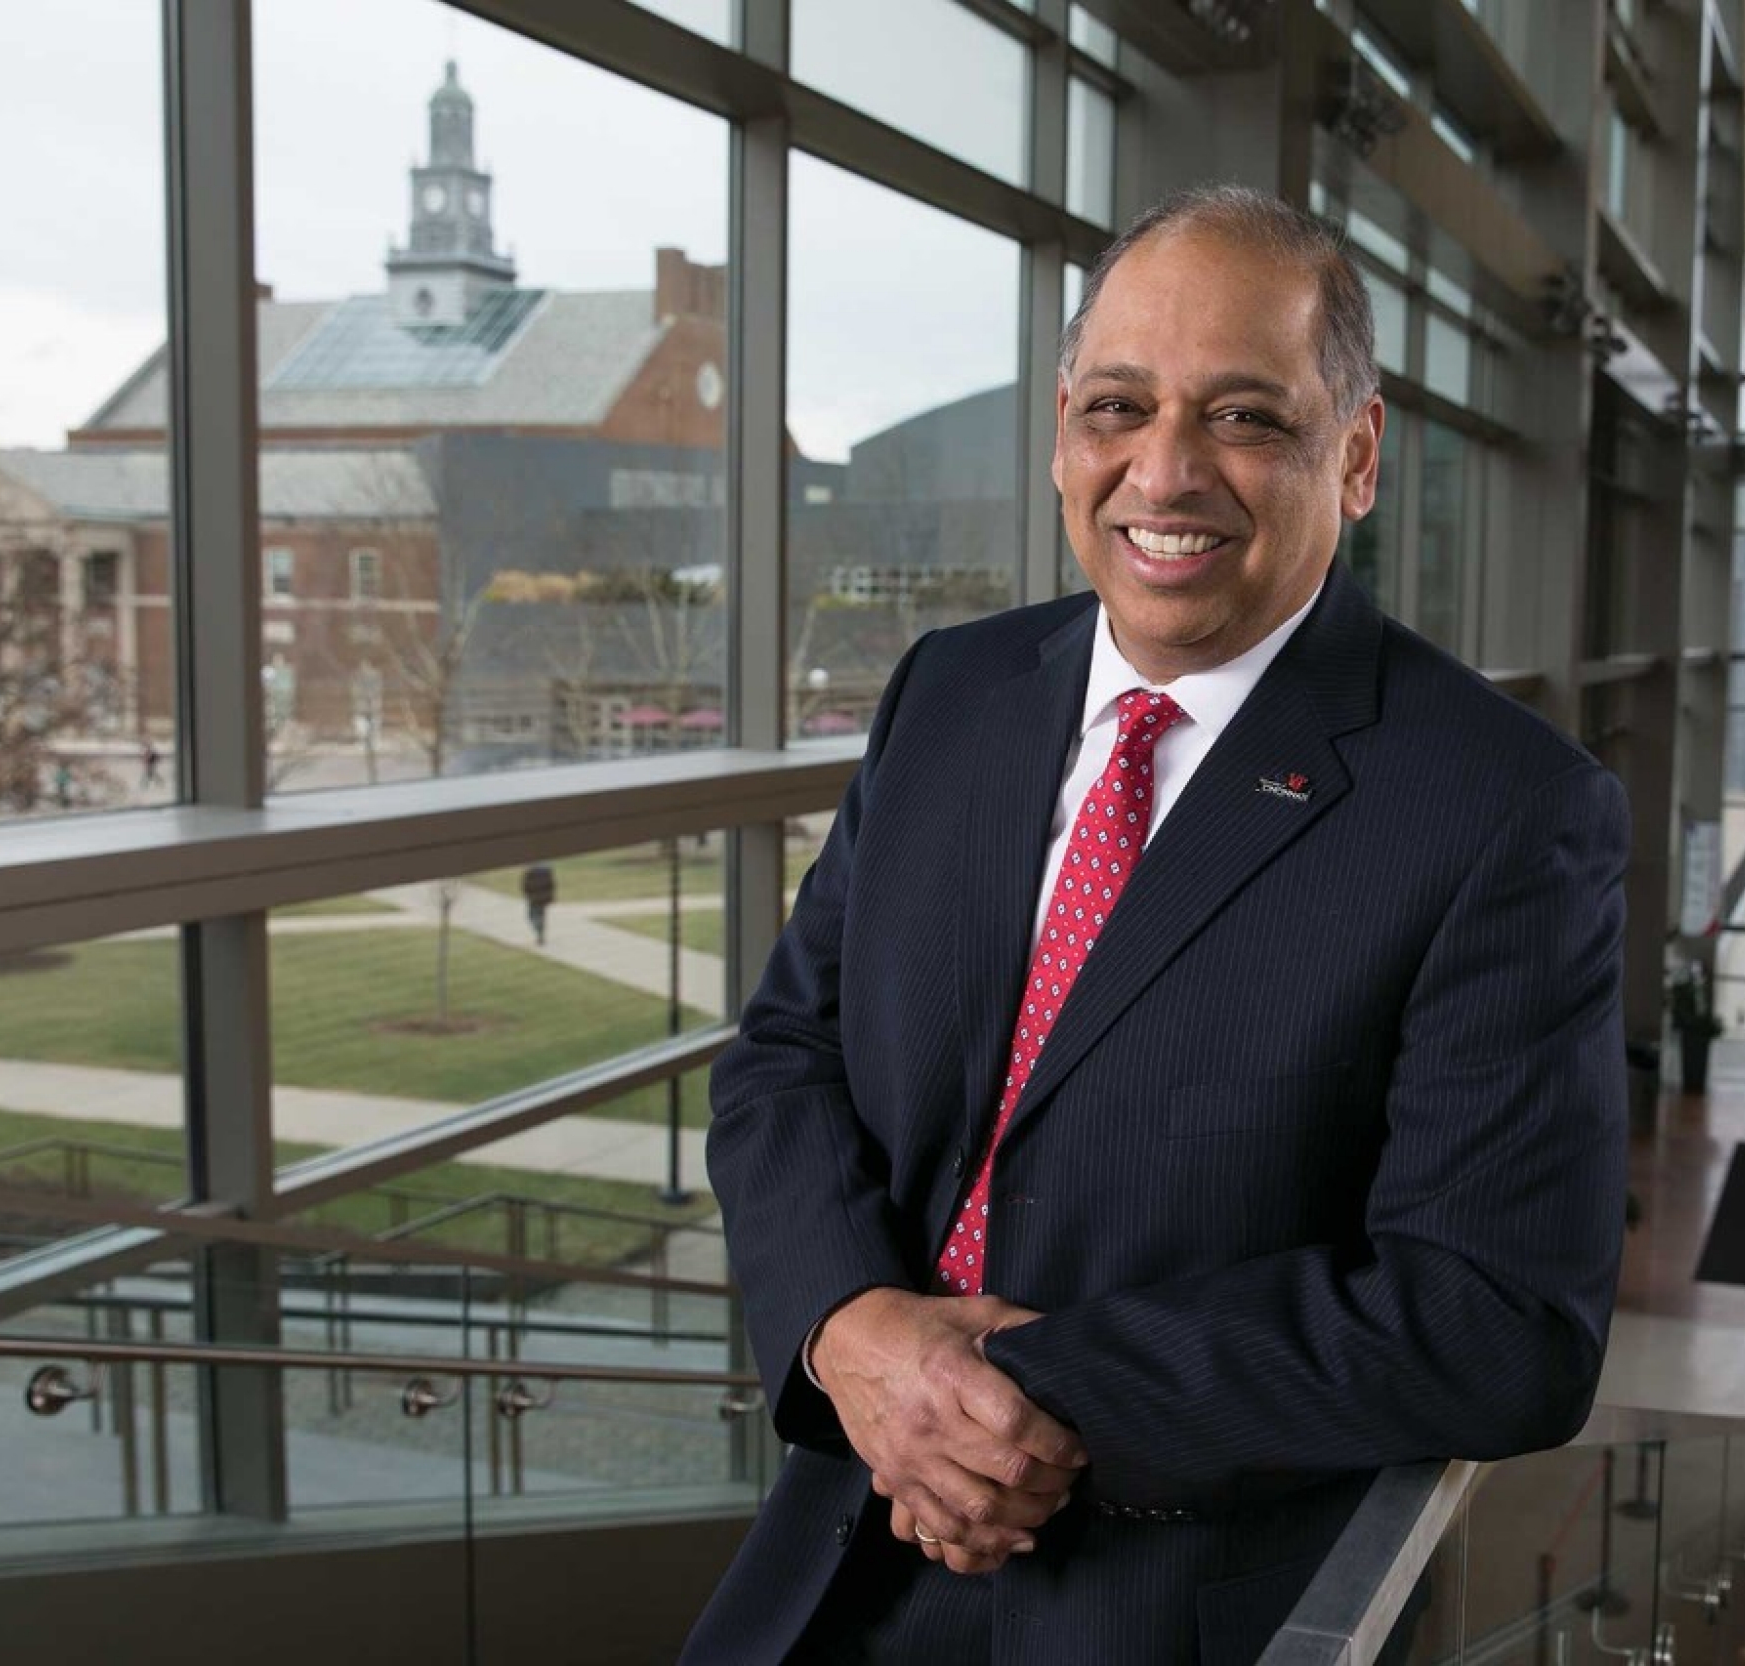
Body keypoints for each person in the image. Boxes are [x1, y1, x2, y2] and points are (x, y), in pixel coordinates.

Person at [688, 185, 1630, 1665]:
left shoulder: (1502, 808)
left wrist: (1007, 1394)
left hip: (1168, 1605)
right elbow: (783, 1061)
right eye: (1120, 405)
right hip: (837, 1551)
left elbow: (1497, 1317)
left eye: (1246, 417)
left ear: (1358, 454)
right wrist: (856, 1332)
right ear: (1065, 426)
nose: (1165, 472)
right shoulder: (952, 693)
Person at [520, 862, 556, 945]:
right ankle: (540, 933)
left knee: (531, 915)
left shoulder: (530, 872)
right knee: (541, 914)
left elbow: (526, 884)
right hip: (544, 897)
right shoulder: (547, 871)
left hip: (534, 897)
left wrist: (526, 893)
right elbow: (551, 884)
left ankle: (539, 932)